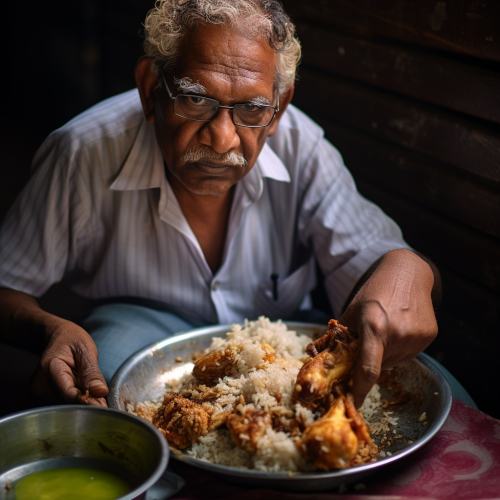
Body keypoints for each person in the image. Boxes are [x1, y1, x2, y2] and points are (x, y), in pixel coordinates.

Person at [0, 0, 473, 410]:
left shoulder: (302, 149)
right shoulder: (83, 152)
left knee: (443, 400)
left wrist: (409, 268)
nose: (222, 138)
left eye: (252, 109)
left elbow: (383, 270)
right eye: (193, 98)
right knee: (102, 395)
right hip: (141, 330)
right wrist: (49, 329)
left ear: (279, 106)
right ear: (150, 89)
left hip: (279, 346)